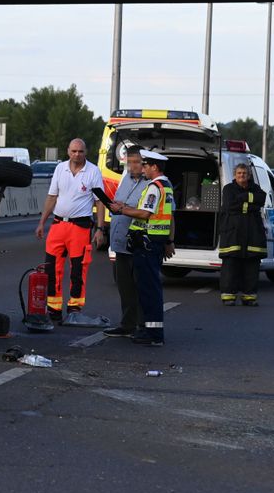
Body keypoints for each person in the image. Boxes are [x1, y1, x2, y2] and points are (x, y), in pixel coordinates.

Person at [107, 150, 174, 347]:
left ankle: (152, 333)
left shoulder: (155, 187)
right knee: (148, 290)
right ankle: (150, 331)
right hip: (149, 243)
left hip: (147, 244)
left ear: (154, 167)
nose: (142, 167)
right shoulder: (166, 185)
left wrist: (121, 209)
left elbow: (145, 213)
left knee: (148, 291)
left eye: (145, 164)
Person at [34, 138, 105, 322]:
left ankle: (74, 307)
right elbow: (52, 197)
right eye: (74, 151)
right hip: (58, 225)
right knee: (51, 268)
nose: (77, 154)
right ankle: (53, 308)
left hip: (80, 227)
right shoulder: (60, 169)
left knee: (78, 270)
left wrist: (100, 228)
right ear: (68, 151)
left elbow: (99, 202)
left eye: (80, 151)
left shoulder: (93, 171)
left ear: (85, 152)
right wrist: (42, 222)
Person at [103, 144, 147, 338]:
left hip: (139, 245)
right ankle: (127, 324)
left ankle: (144, 327)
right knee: (125, 288)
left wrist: (123, 208)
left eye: (136, 162)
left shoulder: (152, 183)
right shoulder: (126, 180)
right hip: (120, 243)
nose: (132, 166)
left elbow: (147, 212)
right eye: (129, 162)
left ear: (145, 163)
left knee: (141, 288)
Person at [218, 162, 267, 306]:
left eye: (244, 173)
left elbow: (262, 199)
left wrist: (243, 199)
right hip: (233, 233)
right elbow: (230, 206)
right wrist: (250, 203)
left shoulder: (256, 188)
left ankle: (249, 297)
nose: (242, 176)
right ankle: (228, 297)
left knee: (251, 267)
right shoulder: (228, 189)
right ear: (235, 175)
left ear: (249, 175)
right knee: (230, 266)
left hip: (253, 234)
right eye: (239, 173)